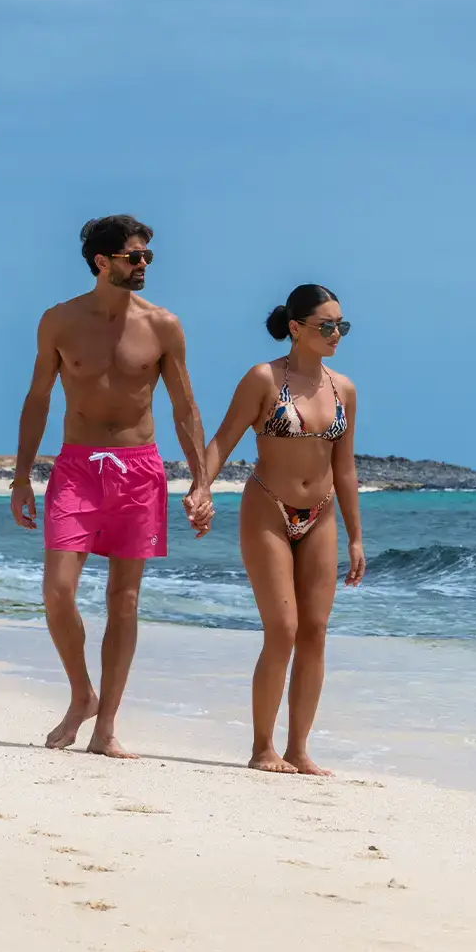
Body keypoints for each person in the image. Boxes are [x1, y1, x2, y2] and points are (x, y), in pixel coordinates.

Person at [11, 215, 214, 759]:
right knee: (57, 591)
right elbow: (38, 399)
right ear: (102, 262)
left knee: (123, 601)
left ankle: (107, 729)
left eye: (147, 256)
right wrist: (21, 475)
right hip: (75, 467)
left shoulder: (163, 325)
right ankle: (82, 695)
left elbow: (184, 406)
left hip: (139, 470)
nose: (143, 264)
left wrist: (201, 482)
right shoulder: (59, 321)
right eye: (133, 256)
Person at [196, 284, 365, 775]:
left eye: (342, 325)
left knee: (315, 631)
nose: (336, 334)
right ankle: (262, 748)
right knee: (283, 629)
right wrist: (201, 488)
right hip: (268, 507)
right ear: (296, 328)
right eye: (326, 325)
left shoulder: (343, 389)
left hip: (323, 513)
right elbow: (223, 439)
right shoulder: (264, 379)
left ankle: (299, 749)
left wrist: (356, 537)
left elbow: (347, 468)